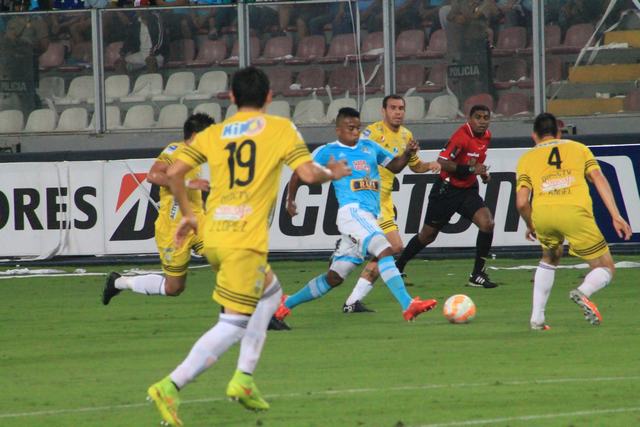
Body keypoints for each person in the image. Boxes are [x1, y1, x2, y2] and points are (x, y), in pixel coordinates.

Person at [146, 67, 351, 427]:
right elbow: (307, 174)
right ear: (269, 97)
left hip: (214, 234)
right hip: (244, 239)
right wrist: (332, 172)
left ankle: (243, 378)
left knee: (271, 296)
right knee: (233, 323)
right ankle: (170, 386)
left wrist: (190, 214)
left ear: (231, 98)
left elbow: (174, 173)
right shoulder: (280, 128)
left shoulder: (212, 134)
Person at [274, 107, 438, 326]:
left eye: (357, 128)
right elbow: (299, 173)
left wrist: (407, 153)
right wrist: (290, 200)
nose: (355, 132)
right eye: (350, 128)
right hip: (352, 212)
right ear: (338, 129)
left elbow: (395, 166)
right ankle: (408, 304)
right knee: (385, 248)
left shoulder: (369, 147)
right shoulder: (329, 151)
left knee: (334, 277)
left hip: (368, 216)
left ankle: (285, 304)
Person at [515, 113, 632, 330]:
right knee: (605, 266)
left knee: (550, 256)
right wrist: (616, 215)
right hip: (574, 212)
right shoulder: (579, 148)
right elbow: (598, 178)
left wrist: (531, 225)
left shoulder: (527, 158)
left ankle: (537, 319)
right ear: (559, 132)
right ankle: (583, 292)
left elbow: (522, 202)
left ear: (534, 136)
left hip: (543, 214)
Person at [102, 113, 214, 305]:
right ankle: (119, 282)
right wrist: (188, 183)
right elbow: (153, 176)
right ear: (196, 135)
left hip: (197, 222)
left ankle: (245, 308)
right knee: (174, 288)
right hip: (173, 229)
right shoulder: (175, 150)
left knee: (226, 257)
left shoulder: (197, 158)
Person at [342, 94, 440, 313]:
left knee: (388, 249)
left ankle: (351, 299)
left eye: (401, 108)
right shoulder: (372, 133)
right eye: (393, 108)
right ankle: (353, 289)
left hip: (384, 201)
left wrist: (429, 165)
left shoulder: (406, 135)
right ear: (383, 111)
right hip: (369, 198)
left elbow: (414, 165)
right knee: (393, 247)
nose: (398, 112)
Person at [395, 104, 497, 288]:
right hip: (446, 190)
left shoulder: (486, 136)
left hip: (468, 190)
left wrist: (482, 173)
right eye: (478, 117)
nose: (482, 122)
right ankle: (398, 266)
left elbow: (474, 161)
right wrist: (471, 169)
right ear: (469, 119)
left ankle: (477, 274)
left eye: (486, 118)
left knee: (487, 223)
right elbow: (442, 162)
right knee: (428, 235)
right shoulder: (461, 137)